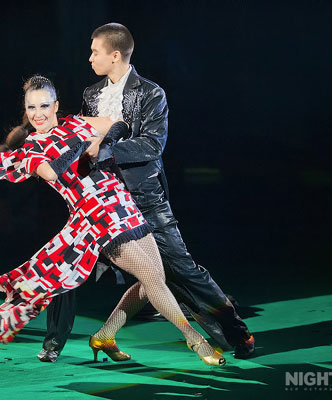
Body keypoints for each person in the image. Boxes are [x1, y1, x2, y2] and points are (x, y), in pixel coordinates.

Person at [40, 23, 255, 363]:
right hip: (102, 201)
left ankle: (235, 332)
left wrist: (104, 149)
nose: (90, 58)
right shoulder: (91, 95)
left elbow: (152, 145)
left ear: (115, 55)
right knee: (66, 264)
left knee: (179, 269)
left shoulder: (152, 94)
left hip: (145, 199)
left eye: (95, 52)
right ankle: (53, 343)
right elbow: (79, 137)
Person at [0, 74, 226, 366]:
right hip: (97, 218)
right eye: (31, 107)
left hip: (124, 205)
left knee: (154, 279)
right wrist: (81, 144)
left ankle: (105, 336)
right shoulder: (32, 147)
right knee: (152, 278)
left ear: (56, 106)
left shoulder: (75, 123)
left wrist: (103, 139)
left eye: (44, 106)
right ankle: (195, 340)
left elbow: (119, 123)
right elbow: (50, 172)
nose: (38, 114)